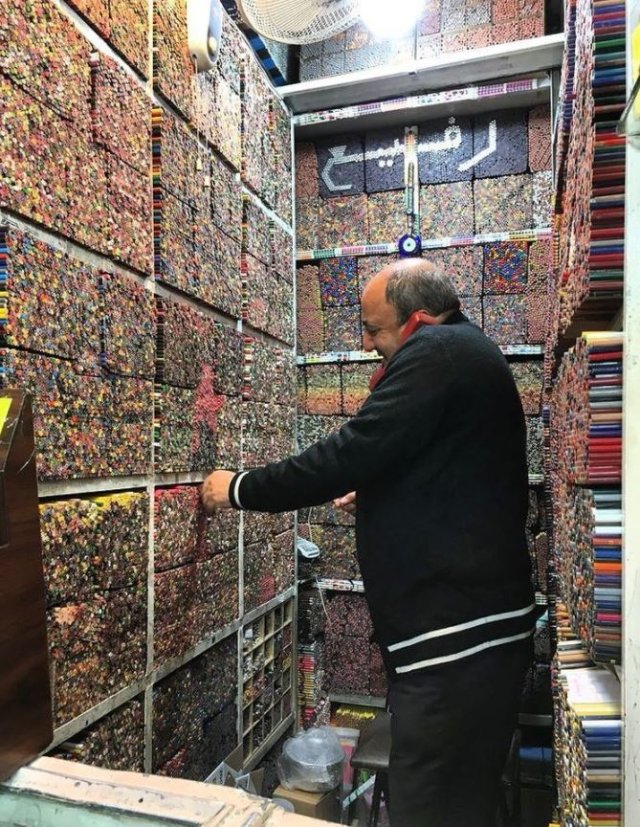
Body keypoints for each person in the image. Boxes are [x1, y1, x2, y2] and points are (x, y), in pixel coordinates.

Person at [202, 258, 534, 827]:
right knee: (460, 801)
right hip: (475, 640)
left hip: (456, 646)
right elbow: (451, 472)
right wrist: (387, 495)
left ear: (417, 320)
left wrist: (238, 488)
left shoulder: (436, 352)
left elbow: (349, 452)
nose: (366, 343)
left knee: (429, 809)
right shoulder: (466, 351)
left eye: (374, 329)